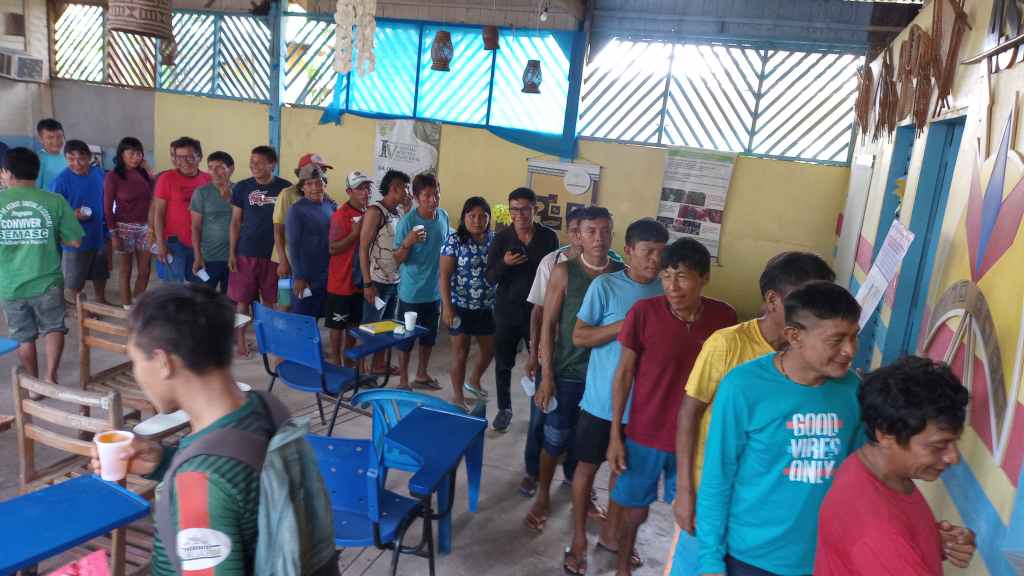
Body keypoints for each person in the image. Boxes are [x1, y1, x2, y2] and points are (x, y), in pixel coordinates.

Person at [87, 284, 302, 574]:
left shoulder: (199, 484)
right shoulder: (266, 408)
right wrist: (163, 461)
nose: (136, 374)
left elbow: (213, 488)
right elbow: (242, 491)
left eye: (135, 361)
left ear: (163, 362)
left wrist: (189, 478)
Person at [666, 252, 837, 575]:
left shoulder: (812, 360)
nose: (819, 312)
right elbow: (689, 413)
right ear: (772, 300)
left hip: (761, 510)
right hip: (709, 495)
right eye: (808, 301)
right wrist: (685, 490)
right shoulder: (728, 345)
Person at [697, 281, 863, 576]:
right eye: (836, 339)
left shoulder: (853, 391)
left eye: (854, 337)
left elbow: (863, 473)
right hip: (749, 559)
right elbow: (717, 477)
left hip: (822, 559)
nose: (849, 350)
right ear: (794, 335)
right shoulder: (743, 387)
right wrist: (710, 560)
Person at [607, 237, 737, 576]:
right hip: (645, 433)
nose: (672, 286)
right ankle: (622, 565)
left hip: (698, 439)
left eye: (682, 276)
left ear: (704, 278)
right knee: (634, 511)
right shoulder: (643, 313)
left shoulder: (724, 318)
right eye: (666, 276)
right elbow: (623, 375)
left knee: (695, 513)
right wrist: (615, 434)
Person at [559, 218, 675, 574]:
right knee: (586, 469)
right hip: (600, 403)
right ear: (629, 251)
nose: (655, 260)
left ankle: (612, 536)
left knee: (623, 476)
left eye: (661, 253)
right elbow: (579, 336)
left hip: (643, 409)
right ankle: (578, 538)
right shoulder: (606, 286)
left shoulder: (666, 291)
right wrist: (625, 326)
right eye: (648, 252)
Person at [815, 356, 977, 575]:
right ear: (886, 435)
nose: (953, 457)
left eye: (954, 442)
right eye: (939, 446)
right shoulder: (879, 533)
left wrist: (932, 539)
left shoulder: (872, 470)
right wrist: (901, 549)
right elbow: (883, 543)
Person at [524, 208, 627, 539]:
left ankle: (582, 490)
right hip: (568, 371)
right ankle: (543, 496)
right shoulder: (564, 271)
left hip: (604, 378)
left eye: (605, 230)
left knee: (590, 444)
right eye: (591, 231)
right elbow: (548, 324)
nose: (599, 238)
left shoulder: (622, 273)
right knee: (554, 439)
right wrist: (547, 375)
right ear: (578, 236)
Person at [0, 147, 83, 384]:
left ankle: (34, 384)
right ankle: (50, 377)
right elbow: (75, 241)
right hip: (47, 280)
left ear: (8, 172)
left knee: (24, 337)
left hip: (10, 284)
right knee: (54, 327)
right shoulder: (54, 201)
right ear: (37, 172)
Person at [519, 208, 586, 497]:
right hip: (552, 356)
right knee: (540, 415)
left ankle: (572, 473)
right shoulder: (553, 263)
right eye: (576, 230)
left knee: (579, 421)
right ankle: (532, 471)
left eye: (588, 230)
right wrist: (534, 353)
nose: (582, 237)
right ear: (570, 233)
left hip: (585, 361)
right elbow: (539, 313)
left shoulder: (609, 267)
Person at [485, 187, 558, 431]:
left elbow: (555, 274)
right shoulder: (501, 238)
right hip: (506, 311)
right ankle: (504, 409)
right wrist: (504, 263)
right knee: (503, 364)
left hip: (538, 312)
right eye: (514, 209)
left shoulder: (548, 238)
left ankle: (540, 408)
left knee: (541, 360)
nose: (519, 215)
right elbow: (489, 277)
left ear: (534, 209)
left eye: (525, 209)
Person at [228, 145, 291, 356]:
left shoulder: (285, 188)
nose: (253, 166)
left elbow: (289, 223)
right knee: (242, 301)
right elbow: (235, 222)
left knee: (272, 301)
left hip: (274, 255)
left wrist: (286, 258)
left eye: (259, 163)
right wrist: (232, 253)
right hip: (246, 252)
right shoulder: (242, 187)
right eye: (252, 162)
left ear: (272, 164)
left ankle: (271, 341)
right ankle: (241, 342)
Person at [393, 173, 449, 390]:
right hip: (411, 293)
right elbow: (397, 259)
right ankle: (403, 381)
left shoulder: (443, 216)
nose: (433, 199)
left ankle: (422, 375)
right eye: (427, 195)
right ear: (416, 197)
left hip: (434, 292)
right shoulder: (407, 222)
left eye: (436, 194)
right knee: (406, 340)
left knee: (428, 338)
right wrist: (407, 243)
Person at [439, 196, 495, 410]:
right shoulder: (454, 241)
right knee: (460, 354)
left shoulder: (494, 239)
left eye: (483, 216)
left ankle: (474, 380)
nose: (478, 221)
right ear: (464, 217)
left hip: (486, 306)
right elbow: (444, 276)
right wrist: (447, 308)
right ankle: (457, 396)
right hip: (459, 306)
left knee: (490, 350)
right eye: (472, 216)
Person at [358, 169, 409, 378]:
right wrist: (367, 283)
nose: (407, 192)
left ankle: (379, 365)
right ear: (394, 188)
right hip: (377, 282)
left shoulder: (397, 213)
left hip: (394, 282)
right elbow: (363, 248)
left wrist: (408, 210)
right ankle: (360, 370)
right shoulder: (375, 212)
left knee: (386, 327)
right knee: (370, 327)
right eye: (405, 188)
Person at [50, 139, 109, 306]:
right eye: (71, 159)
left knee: (100, 273)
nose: (76, 163)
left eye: (81, 158)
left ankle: (100, 302)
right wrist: (72, 215)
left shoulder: (98, 174)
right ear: (65, 158)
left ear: (89, 157)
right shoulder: (60, 181)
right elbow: (52, 213)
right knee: (74, 282)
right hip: (74, 239)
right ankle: (79, 310)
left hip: (98, 234)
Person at [325, 171, 371, 366]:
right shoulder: (340, 215)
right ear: (349, 192)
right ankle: (336, 362)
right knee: (337, 326)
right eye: (360, 188)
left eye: (367, 187)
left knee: (354, 325)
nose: (365, 192)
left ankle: (349, 361)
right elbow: (332, 248)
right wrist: (354, 235)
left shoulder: (369, 213)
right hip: (340, 283)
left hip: (359, 282)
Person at [274, 153, 342, 281]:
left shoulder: (324, 194)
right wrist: (283, 261)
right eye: (318, 168)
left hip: (321, 263)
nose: (322, 172)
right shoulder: (287, 194)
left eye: (323, 170)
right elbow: (278, 231)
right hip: (294, 262)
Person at [153, 137, 212, 283]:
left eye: (189, 157)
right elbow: (158, 213)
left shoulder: (208, 179)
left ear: (199, 157)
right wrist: (160, 243)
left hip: (201, 243)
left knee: (198, 284)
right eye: (179, 157)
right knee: (173, 286)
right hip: (174, 243)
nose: (184, 161)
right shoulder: (166, 178)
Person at [104, 137, 154, 306]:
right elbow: (107, 208)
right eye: (131, 153)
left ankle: (138, 304)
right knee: (126, 270)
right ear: (121, 155)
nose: (136, 157)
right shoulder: (113, 176)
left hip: (145, 227)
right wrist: (113, 235)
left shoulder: (144, 174)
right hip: (123, 228)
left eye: (139, 153)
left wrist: (149, 171)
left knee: (145, 270)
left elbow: (156, 195)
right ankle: (126, 307)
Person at [285, 162, 337, 317]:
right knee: (302, 320)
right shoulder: (296, 210)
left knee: (321, 317)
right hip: (306, 278)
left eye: (319, 182)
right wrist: (299, 277)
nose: (315, 187)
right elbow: (293, 246)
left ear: (324, 184)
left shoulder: (330, 206)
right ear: (302, 187)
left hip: (327, 275)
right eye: (309, 184)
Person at [190, 151, 235, 294]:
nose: (214, 172)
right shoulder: (201, 192)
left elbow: (244, 221)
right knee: (203, 299)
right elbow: (195, 227)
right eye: (210, 167)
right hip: (209, 258)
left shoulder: (240, 191)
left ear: (231, 168)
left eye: (220, 167)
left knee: (230, 300)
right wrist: (198, 256)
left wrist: (229, 199)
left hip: (234, 258)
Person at [35, 118, 67, 191]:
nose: (56, 141)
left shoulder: (71, 157)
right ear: (40, 139)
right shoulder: (36, 160)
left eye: (59, 136)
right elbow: (35, 189)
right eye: (50, 137)